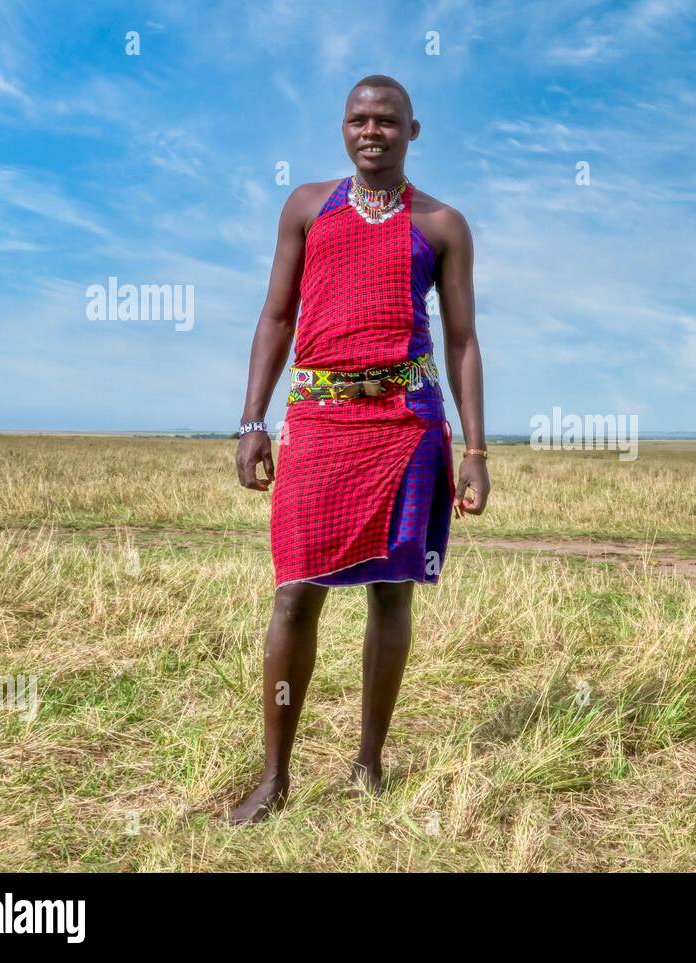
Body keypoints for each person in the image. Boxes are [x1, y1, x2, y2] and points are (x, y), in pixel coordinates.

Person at [229, 74, 489, 825]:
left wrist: (475, 450)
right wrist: (251, 420)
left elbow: (463, 340)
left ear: (413, 130)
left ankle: (368, 763)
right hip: (318, 421)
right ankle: (275, 776)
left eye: (386, 120)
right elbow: (277, 317)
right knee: (295, 590)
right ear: (343, 128)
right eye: (358, 120)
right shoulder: (308, 207)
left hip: (406, 423)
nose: (371, 131)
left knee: (392, 590)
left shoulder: (442, 224)